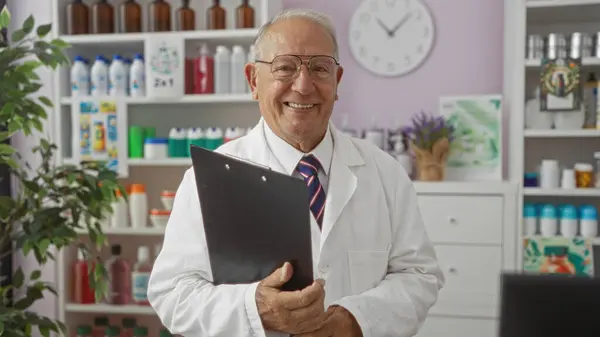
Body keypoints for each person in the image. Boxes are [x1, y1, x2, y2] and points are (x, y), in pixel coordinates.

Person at [148, 8, 444, 337]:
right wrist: (255, 308)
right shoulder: (209, 178)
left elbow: (419, 275)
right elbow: (172, 293)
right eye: (285, 67)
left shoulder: (385, 173)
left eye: (320, 68)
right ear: (253, 80)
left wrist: (354, 320)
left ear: (337, 80)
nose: (303, 86)